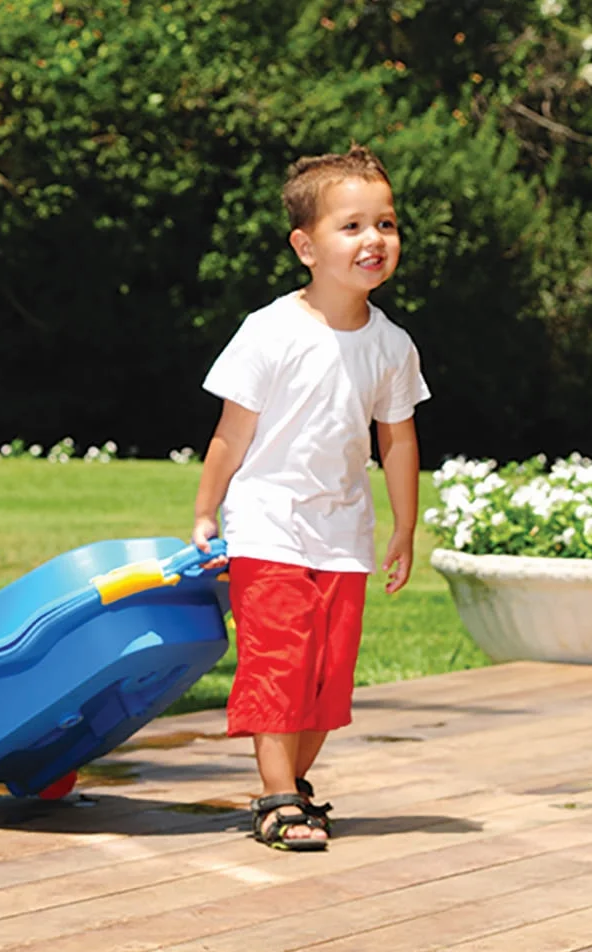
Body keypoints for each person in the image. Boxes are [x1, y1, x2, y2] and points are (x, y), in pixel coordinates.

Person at [192, 145, 430, 851]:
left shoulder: (391, 346)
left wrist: (404, 527)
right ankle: (273, 797)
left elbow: (399, 442)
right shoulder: (271, 331)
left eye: (384, 224)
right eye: (351, 226)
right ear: (305, 246)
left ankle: (290, 788)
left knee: (328, 678)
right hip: (269, 526)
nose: (374, 240)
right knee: (279, 663)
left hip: (343, 533)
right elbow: (231, 435)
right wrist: (207, 510)